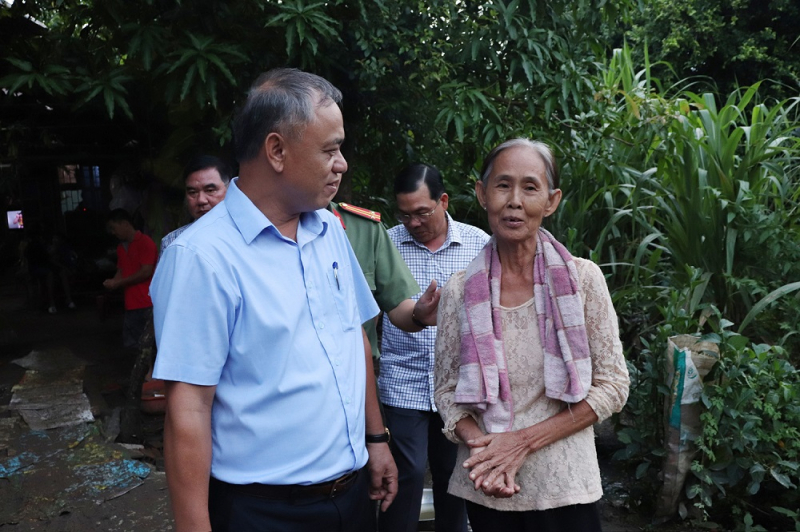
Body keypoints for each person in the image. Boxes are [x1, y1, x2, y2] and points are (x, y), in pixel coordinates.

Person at [150, 68, 397, 532]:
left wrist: (376, 438)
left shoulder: (329, 232)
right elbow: (189, 408)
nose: (341, 163)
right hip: (262, 513)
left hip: (352, 495)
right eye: (330, 149)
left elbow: (354, 341)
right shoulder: (201, 258)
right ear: (277, 151)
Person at [433, 139, 630, 532]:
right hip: (487, 484)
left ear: (551, 200)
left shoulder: (582, 280)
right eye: (503, 185)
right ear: (481, 193)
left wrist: (520, 442)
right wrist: (485, 449)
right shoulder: (459, 290)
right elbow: (446, 391)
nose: (514, 201)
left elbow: (613, 385)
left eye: (530, 187)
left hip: (567, 487)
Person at [379, 163, 489, 532]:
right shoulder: (388, 243)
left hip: (457, 386)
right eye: (405, 215)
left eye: (422, 213)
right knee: (405, 471)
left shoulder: (479, 244)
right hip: (402, 381)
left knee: (453, 474)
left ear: (443, 201)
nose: (413, 223)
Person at [328, 201, 440, 360]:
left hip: (356, 373)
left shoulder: (364, 228)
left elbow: (397, 304)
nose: (339, 174)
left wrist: (419, 315)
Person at [103, 209, 157, 348]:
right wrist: (113, 283)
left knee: (148, 346)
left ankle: (149, 370)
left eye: (114, 228)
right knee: (134, 345)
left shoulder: (145, 242)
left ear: (125, 224)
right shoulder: (121, 248)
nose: (113, 232)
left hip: (147, 303)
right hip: (131, 304)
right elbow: (121, 270)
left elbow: (146, 272)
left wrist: (118, 282)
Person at [159, 155, 232, 256]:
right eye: (193, 192)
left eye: (210, 190)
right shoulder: (172, 243)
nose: (201, 200)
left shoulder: (248, 237)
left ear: (229, 189)